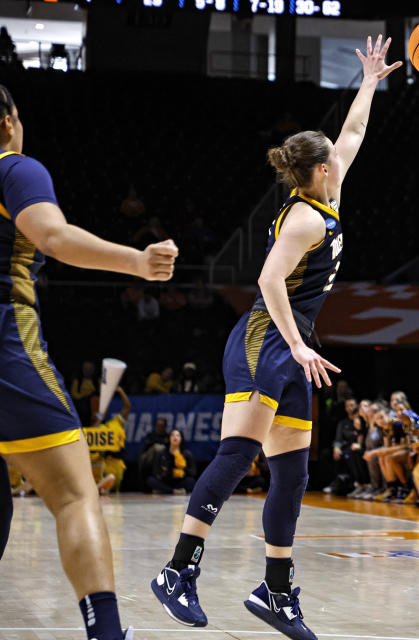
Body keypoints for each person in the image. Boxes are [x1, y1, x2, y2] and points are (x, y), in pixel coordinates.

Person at [151, 35, 402, 639]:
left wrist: (369, 81)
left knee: (292, 474)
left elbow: (354, 136)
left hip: (292, 347)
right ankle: (176, 573)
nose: (342, 162)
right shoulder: (305, 215)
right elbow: (266, 281)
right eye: (333, 161)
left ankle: (276, 591)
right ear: (320, 171)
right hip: (265, 339)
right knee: (239, 455)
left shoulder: (327, 192)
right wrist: (294, 346)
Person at [0, 84, 177, 640]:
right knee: (75, 494)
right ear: (8, 122)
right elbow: (51, 235)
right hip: (6, 346)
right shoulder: (14, 167)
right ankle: (106, 632)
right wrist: (137, 261)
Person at [84, 387, 132, 495]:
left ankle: (100, 490)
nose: (97, 412)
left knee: (111, 481)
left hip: (116, 467)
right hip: (98, 470)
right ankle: (99, 490)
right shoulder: (87, 433)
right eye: (94, 411)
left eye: (100, 410)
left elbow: (127, 407)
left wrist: (121, 392)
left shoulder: (114, 424)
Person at [147, 429, 197, 495]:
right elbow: (155, 471)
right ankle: (173, 491)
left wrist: (184, 467)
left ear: (181, 439)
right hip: (165, 481)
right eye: (172, 435)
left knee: (191, 481)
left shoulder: (186, 454)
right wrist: (164, 471)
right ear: (169, 438)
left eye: (177, 435)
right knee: (150, 480)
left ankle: (163, 490)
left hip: (180, 481)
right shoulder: (162, 453)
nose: (175, 437)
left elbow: (193, 472)